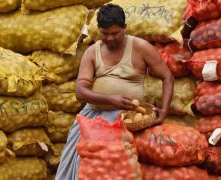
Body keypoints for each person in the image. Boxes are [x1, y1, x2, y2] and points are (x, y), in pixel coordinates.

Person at [55, 4, 174, 180]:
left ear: (125, 28)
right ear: (99, 30)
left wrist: (163, 111)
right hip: (92, 115)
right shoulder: (92, 52)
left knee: (110, 168)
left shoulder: (141, 47)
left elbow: (167, 77)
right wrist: (111, 100)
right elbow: (80, 91)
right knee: (77, 162)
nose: (109, 38)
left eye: (115, 33)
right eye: (104, 33)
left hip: (125, 117)